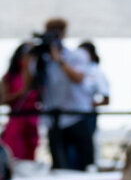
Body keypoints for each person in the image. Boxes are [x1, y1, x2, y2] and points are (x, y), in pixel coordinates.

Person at [40, 18, 94, 171]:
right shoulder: (43, 59)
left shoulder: (77, 55)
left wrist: (59, 60)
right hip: (54, 119)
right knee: (58, 166)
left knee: (84, 164)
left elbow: (78, 78)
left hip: (76, 115)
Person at [0, 43, 40, 162]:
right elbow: (3, 99)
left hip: (32, 121)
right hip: (17, 119)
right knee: (16, 153)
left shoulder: (36, 75)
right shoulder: (9, 77)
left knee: (30, 156)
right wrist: (19, 94)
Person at [76, 41, 110, 167]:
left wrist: (88, 104)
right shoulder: (79, 70)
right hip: (75, 115)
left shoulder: (96, 72)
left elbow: (106, 98)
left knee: (86, 149)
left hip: (87, 116)